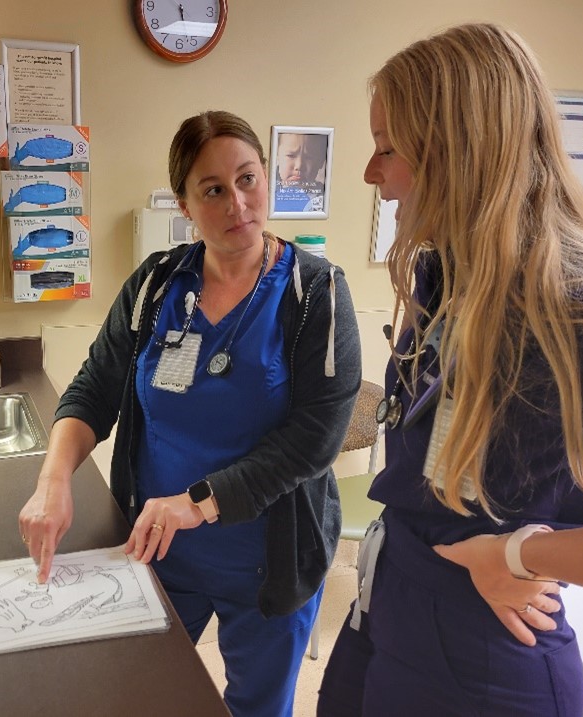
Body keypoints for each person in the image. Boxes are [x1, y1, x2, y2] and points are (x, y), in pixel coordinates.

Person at [317, 23, 583, 717]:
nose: (372, 174)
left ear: (462, 150)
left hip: (485, 653)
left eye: (386, 147)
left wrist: (519, 555)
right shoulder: (442, 278)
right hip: (389, 600)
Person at [19, 110, 362, 717]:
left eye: (249, 179)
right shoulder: (157, 286)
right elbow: (94, 389)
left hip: (266, 562)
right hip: (157, 550)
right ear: (184, 202)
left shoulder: (316, 293)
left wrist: (196, 502)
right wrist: (52, 482)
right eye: (213, 189)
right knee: (145, 695)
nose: (238, 203)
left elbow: (316, 439)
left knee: (256, 707)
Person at [274, 132, 329, 212]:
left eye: (309, 158)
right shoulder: (266, 189)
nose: (299, 166)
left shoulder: (324, 199)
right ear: (277, 155)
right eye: (291, 156)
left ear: (320, 162)